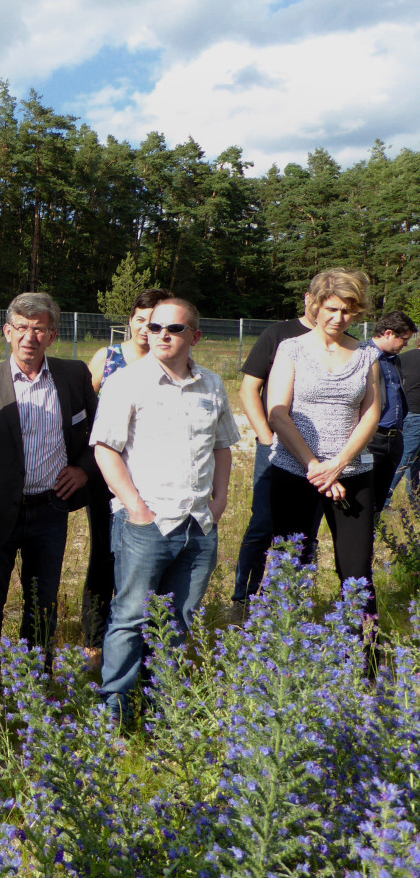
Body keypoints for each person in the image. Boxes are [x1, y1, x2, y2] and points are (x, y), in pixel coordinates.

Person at [90, 298, 239, 721]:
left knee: (180, 620)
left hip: (198, 523)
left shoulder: (211, 383)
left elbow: (223, 445)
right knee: (131, 617)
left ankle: (163, 710)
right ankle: (113, 714)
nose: (162, 335)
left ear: (195, 336)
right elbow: (105, 449)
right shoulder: (127, 382)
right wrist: (136, 508)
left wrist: (221, 497)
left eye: (173, 329)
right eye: (155, 328)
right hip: (146, 524)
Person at [0, 293, 96, 705]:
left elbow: (99, 436)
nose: (29, 336)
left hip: (49, 513)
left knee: (42, 607)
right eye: (21, 328)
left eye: (39, 328)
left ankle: (34, 690)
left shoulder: (73, 376)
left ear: (52, 335)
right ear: (7, 332)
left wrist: (83, 469)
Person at [267, 268, 381, 617]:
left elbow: (372, 413)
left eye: (347, 310)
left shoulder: (367, 354)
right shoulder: (291, 349)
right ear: (315, 305)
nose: (338, 317)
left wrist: (340, 464)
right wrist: (314, 465)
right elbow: (277, 413)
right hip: (294, 470)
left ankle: (363, 658)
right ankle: (284, 650)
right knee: (291, 565)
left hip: (352, 474)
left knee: (356, 568)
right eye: (331, 308)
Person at [82, 288, 173, 668]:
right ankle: (94, 638)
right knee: (105, 553)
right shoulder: (109, 358)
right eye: (140, 319)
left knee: (150, 554)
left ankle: (147, 635)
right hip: (108, 473)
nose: (145, 328)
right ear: (132, 320)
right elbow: (83, 406)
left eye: (154, 321)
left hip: (154, 477)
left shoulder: (171, 361)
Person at [231, 292, 318, 603]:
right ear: (309, 298)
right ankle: (244, 599)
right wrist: (267, 438)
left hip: (319, 458)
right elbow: (249, 389)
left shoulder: (342, 344)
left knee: (305, 530)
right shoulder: (278, 334)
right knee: (263, 524)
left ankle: (286, 601)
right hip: (275, 448)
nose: (330, 312)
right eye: (322, 301)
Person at [367, 311, 416, 512]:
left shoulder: (393, 359)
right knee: (364, 495)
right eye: (404, 339)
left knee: (378, 497)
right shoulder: (363, 355)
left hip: (393, 438)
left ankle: (373, 532)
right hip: (371, 438)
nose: (405, 345)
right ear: (388, 333)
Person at [388, 341, 420, 505]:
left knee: (414, 458)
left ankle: (414, 496)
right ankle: (384, 500)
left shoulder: (402, 357)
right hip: (416, 414)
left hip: (406, 411)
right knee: (406, 458)